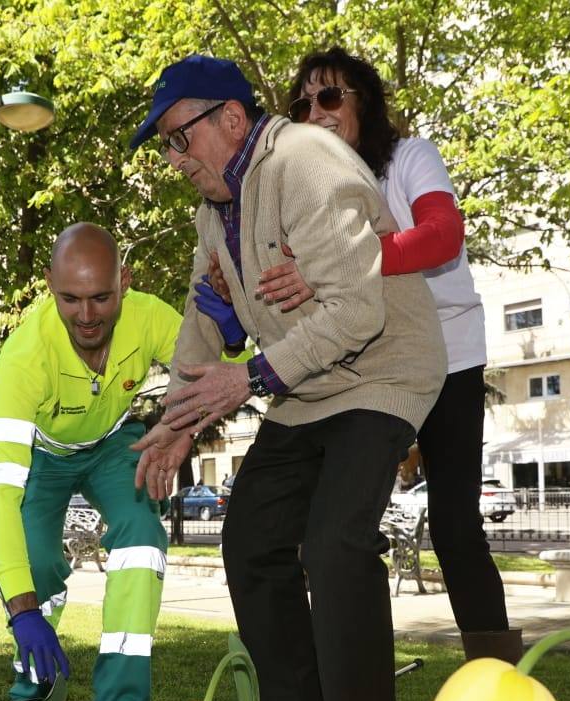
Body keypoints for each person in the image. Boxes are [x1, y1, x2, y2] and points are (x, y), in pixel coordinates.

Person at [128, 55, 445, 701]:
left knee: (335, 544)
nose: (175, 161)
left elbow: (359, 311)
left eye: (179, 139)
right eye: (167, 147)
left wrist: (250, 380)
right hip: (305, 388)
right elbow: (203, 324)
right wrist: (175, 425)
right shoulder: (216, 209)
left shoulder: (306, 160)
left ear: (230, 119)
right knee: (252, 541)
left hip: (380, 372)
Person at [216, 47, 518, 663]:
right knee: (331, 534)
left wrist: (344, 263)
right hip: (363, 374)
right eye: (301, 104)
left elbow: (442, 235)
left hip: (449, 357)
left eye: (330, 98)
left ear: (366, 103)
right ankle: (345, 671)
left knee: (455, 524)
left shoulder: (408, 158)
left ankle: (495, 676)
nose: (315, 113)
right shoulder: (299, 185)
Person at [0, 222, 180, 701]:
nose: (87, 316)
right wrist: (22, 610)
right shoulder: (25, 356)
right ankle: (32, 690)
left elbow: (219, 370)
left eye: (101, 297)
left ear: (126, 282)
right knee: (37, 560)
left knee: (141, 537)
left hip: (115, 444)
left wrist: (229, 335)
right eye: (70, 299)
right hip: (46, 457)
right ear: (49, 284)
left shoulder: (149, 315)